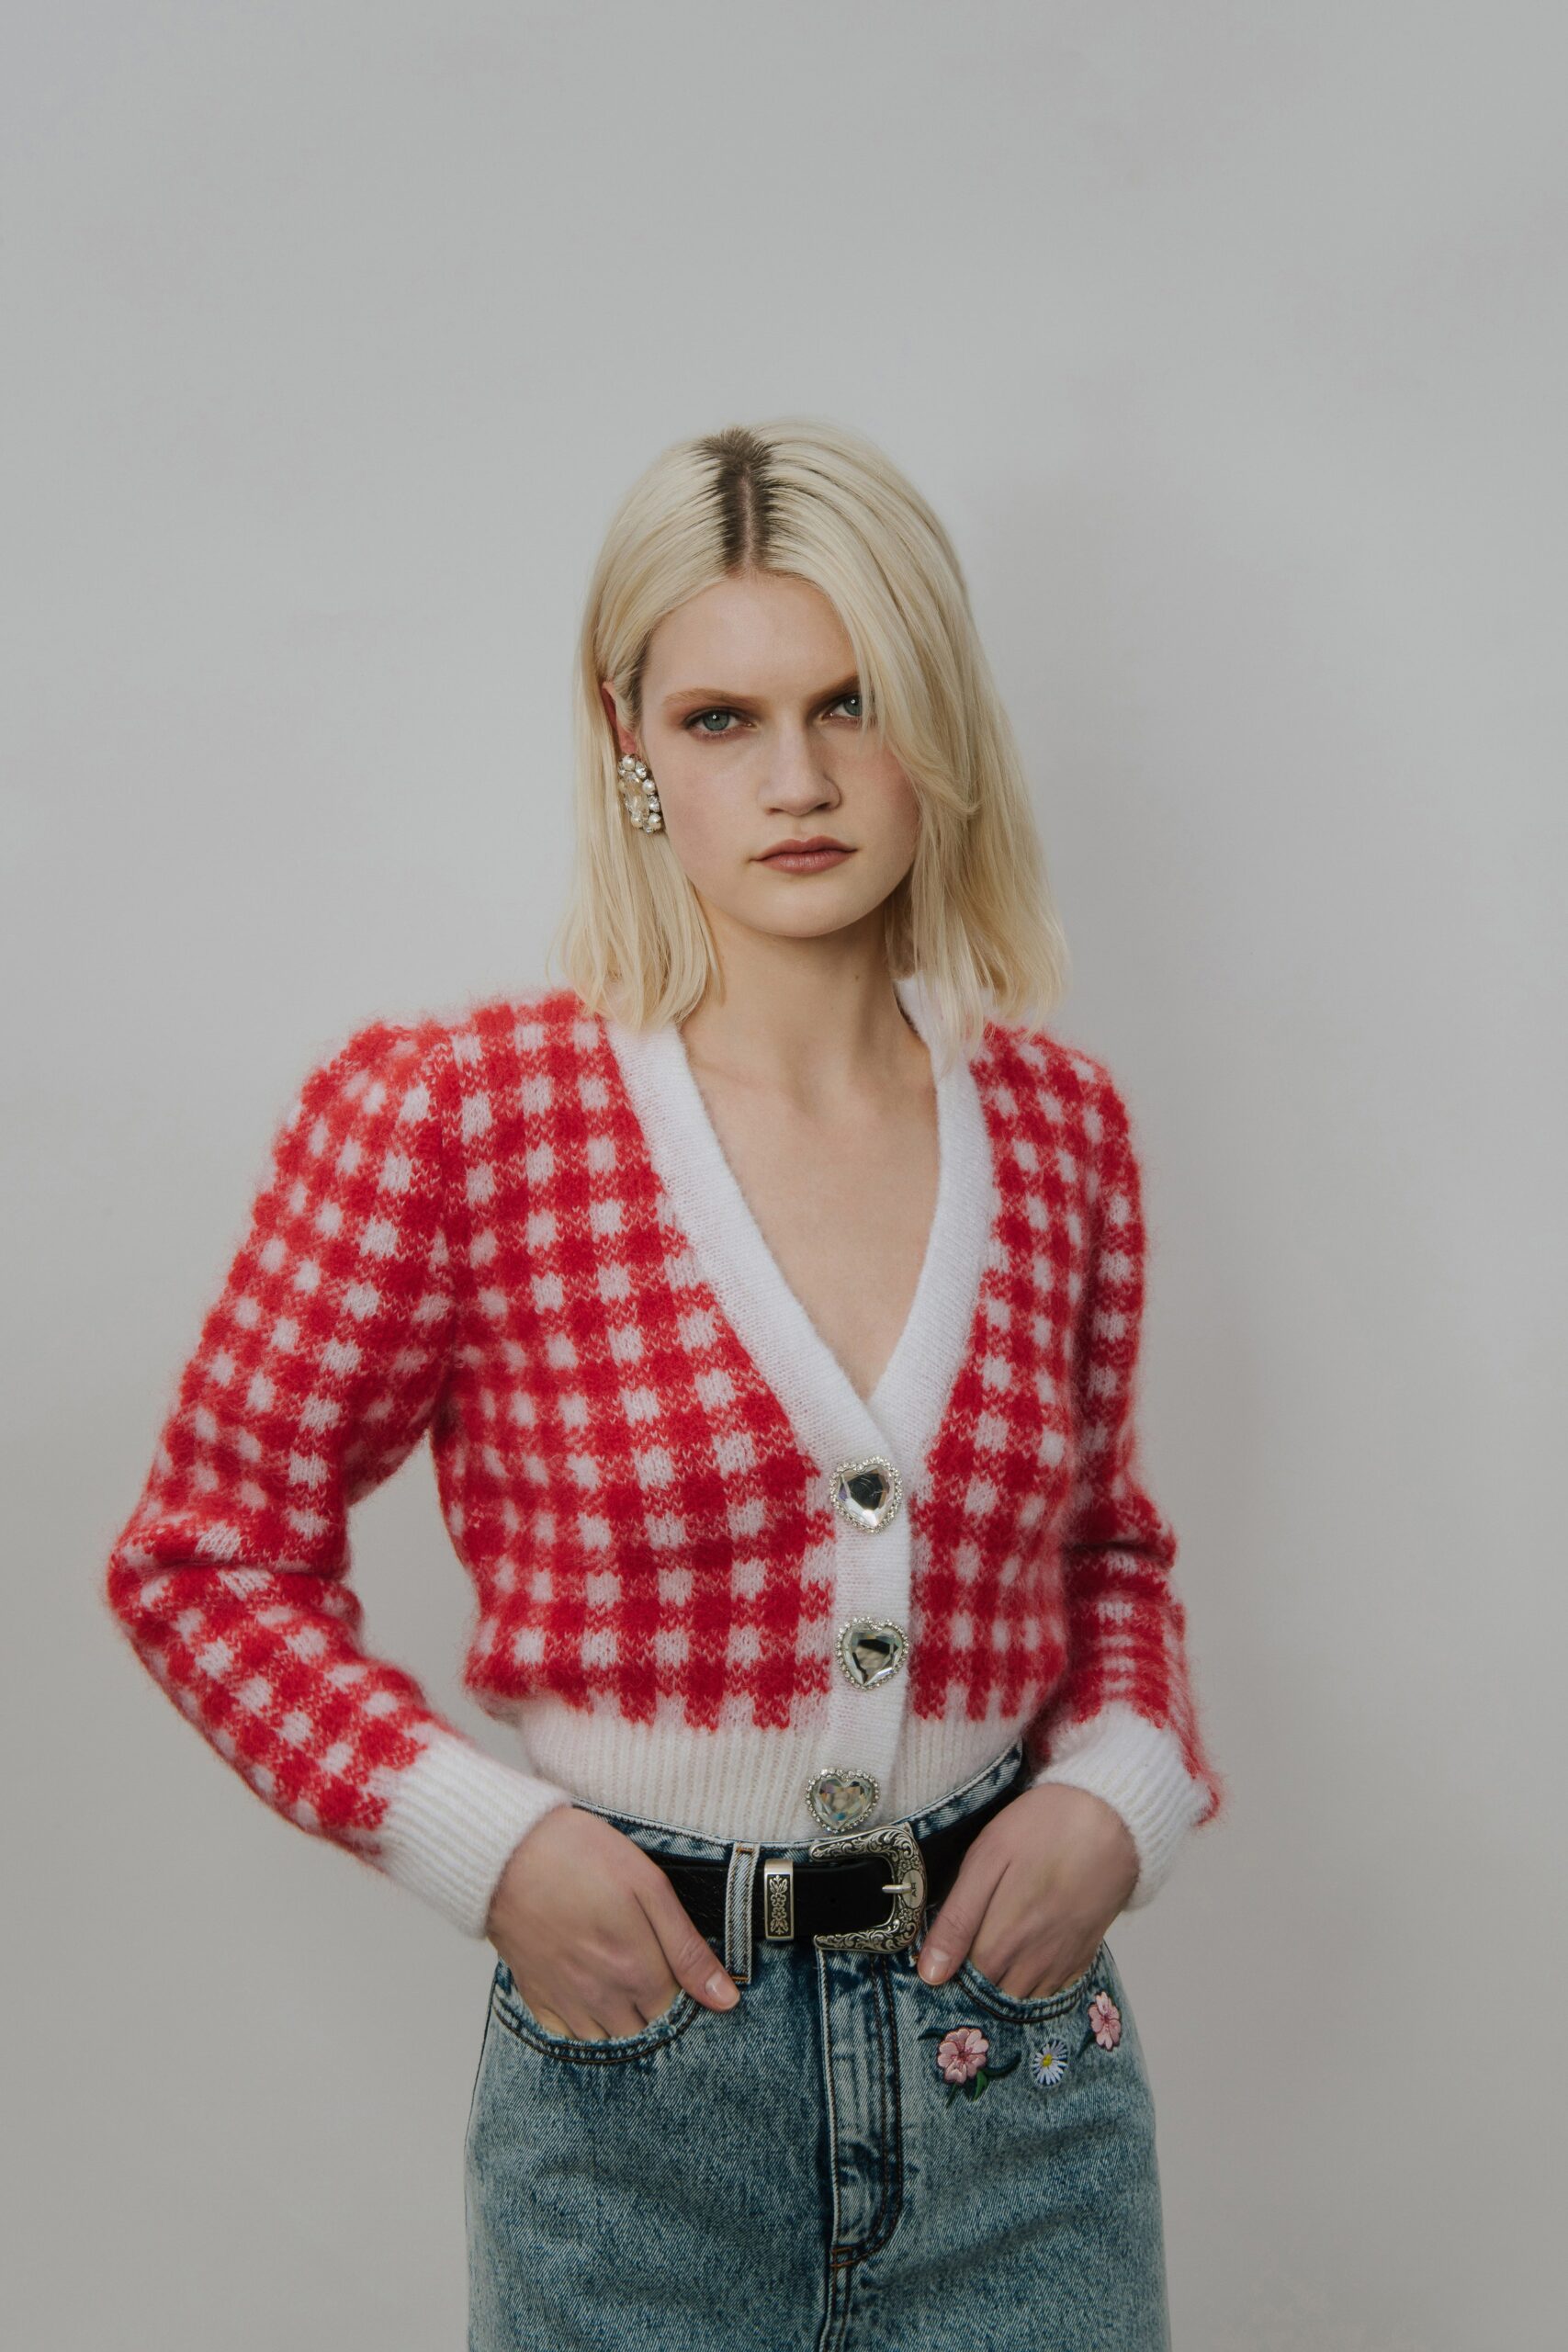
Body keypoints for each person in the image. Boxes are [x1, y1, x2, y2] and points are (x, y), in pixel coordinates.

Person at [103, 416, 1226, 2350]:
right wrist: (488, 1839)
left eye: (849, 703)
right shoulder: (454, 1119)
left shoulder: (1054, 1127)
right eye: (720, 717)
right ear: (628, 736)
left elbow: (1104, 1550)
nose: (794, 779)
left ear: (933, 724)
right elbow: (204, 1552)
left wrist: (1121, 1787)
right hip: (637, 2087)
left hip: (1020, 2077)